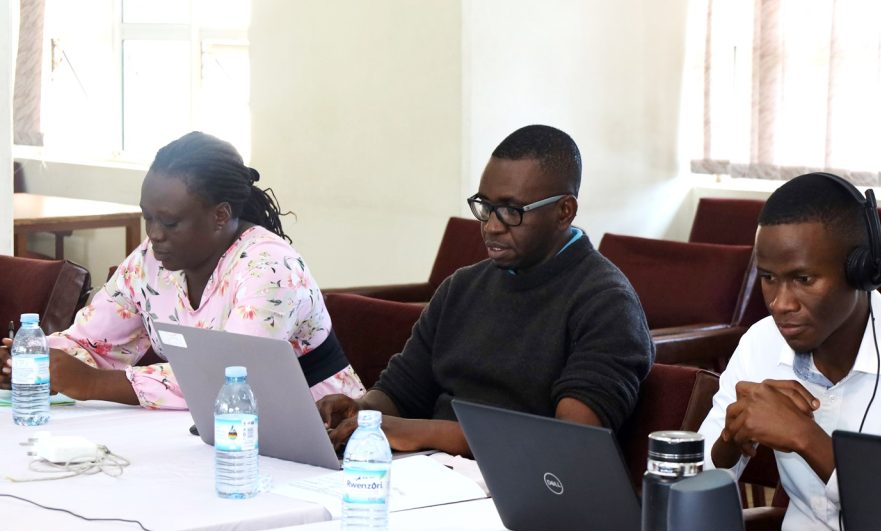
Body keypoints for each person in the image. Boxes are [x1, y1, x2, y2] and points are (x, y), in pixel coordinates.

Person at [317, 124, 654, 456]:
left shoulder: (607, 302)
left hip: (526, 492)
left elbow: (568, 442)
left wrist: (419, 433)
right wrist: (361, 412)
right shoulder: (462, 286)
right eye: (486, 206)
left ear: (564, 211)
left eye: (511, 211)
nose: (492, 226)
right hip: (432, 475)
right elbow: (400, 392)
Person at [697, 172, 881, 531]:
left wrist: (805, 437)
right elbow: (693, 481)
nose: (781, 303)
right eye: (769, 278)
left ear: (861, 272)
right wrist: (729, 443)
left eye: (803, 279)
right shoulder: (761, 343)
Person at [1, 131, 365, 408]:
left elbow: (227, 375)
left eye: (171, 222)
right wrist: (34, 363)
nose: (154, 234)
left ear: (220, 215)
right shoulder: (150, 262)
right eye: (148, 217)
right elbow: (91, 341)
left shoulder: (270, 269)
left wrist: (94, 384)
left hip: (313, 427)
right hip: (205, 428)